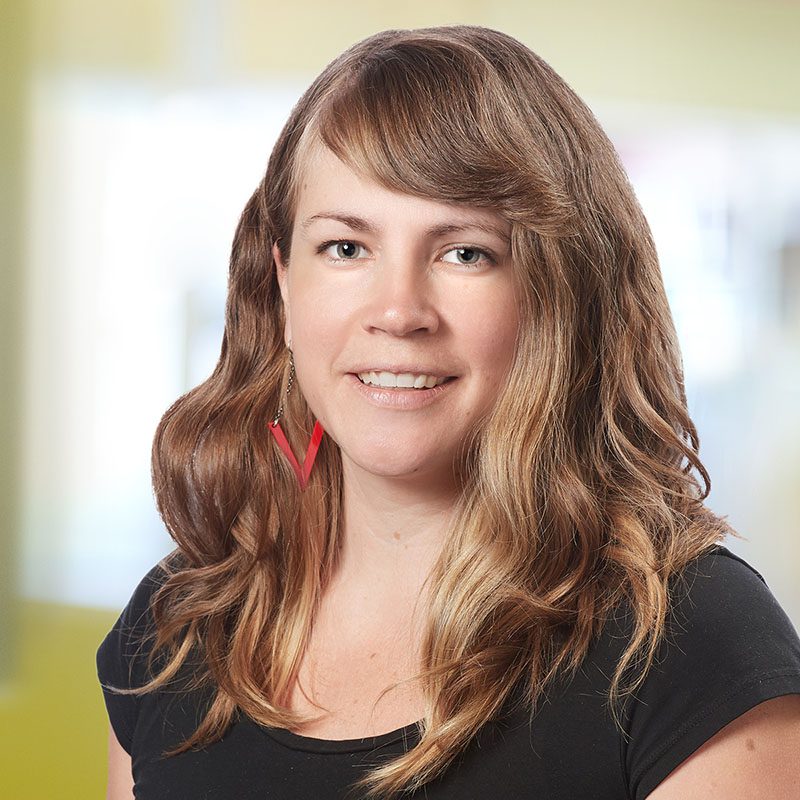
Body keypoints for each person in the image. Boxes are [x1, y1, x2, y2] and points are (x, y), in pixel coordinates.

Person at [96, 24, 800, 800]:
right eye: (345, 248)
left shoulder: (694, 647)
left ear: (556, 297)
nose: (399, 311)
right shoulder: (173, 631)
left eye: (465, 252)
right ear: (283, 287)